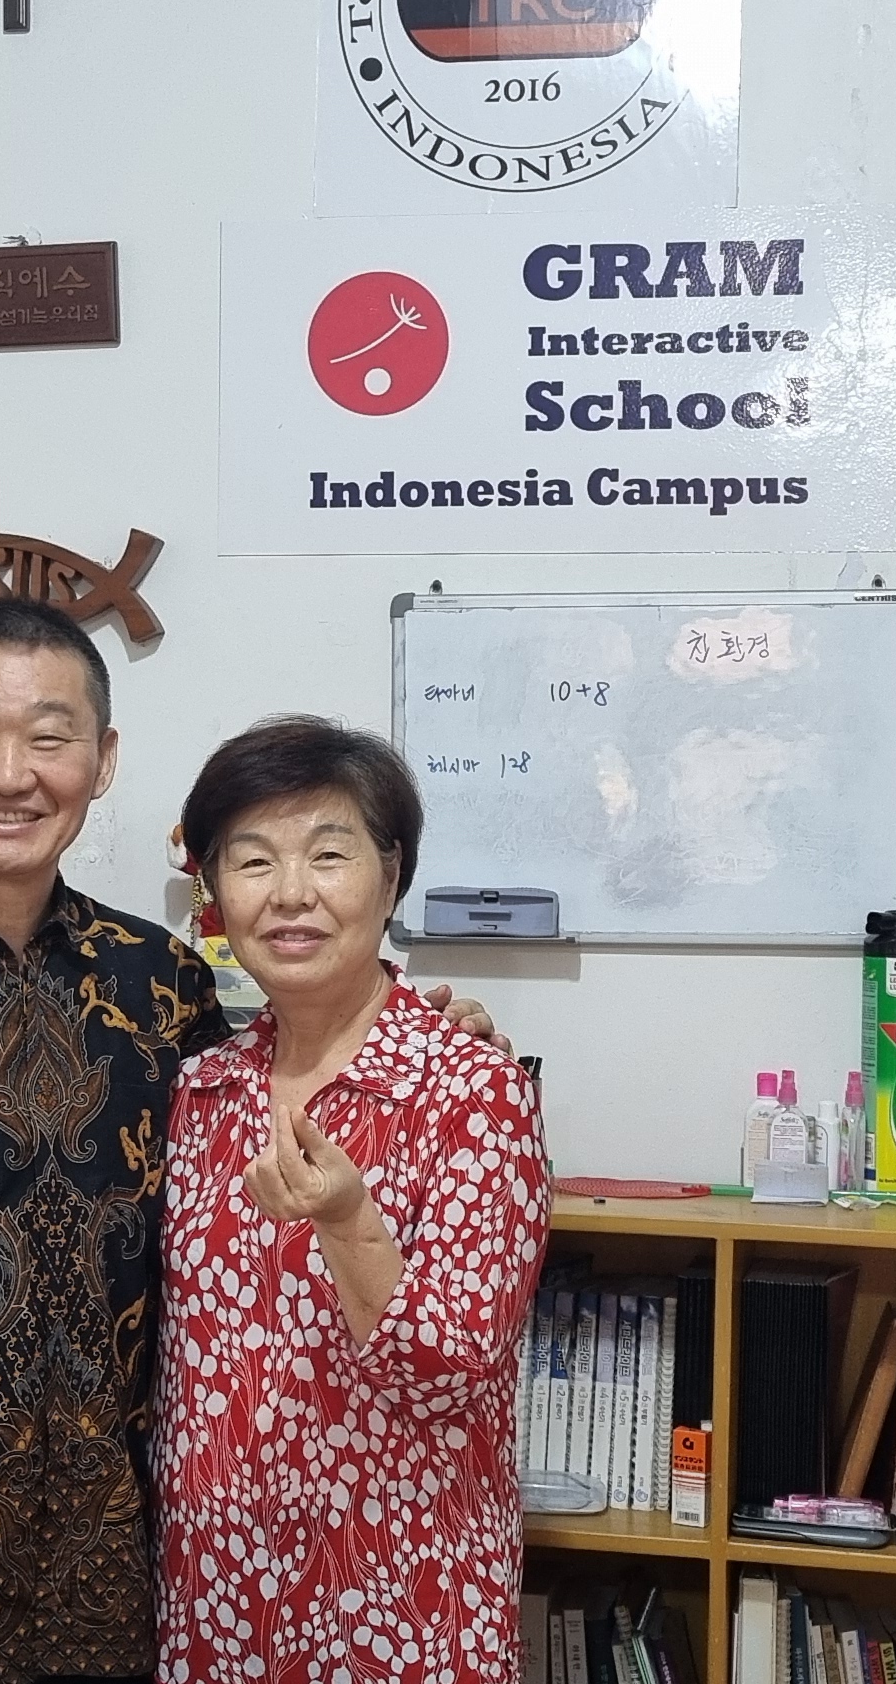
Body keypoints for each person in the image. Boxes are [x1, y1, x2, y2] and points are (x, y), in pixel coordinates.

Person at [0, 601, 503, 1684]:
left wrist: (425, 1023)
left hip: (116, 1591)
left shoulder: (161, 990)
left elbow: (297, 1072)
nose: (7, 774)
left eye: (49, 737)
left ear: (103, 760)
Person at [154, 716, 550, 1684]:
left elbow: (447, 1374)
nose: (290, 893)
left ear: (390, 873)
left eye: (328, 855)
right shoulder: (203, 1090)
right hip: (214, 1606)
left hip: (399, 1610)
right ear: (215, 892)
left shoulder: (472, 1092)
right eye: (252, 860)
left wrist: (346, 1220)